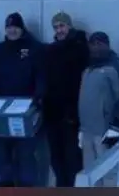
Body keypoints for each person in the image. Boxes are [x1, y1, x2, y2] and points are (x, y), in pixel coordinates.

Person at [0, 12, 45, 187]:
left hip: (26, 112)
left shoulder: (34, 49)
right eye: (9, 27)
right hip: (1, 113)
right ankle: (6, 185)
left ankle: (27, 188)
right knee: (3, 152)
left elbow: (41, 76)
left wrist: (38, 100)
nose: (12, 30)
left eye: (15, 27)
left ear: (21, 28)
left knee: (26, 153)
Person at [77, 31, 119, 188]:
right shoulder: (87, 70)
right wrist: (82, 129)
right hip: (87, 132)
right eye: (93, 44)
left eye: (99, 44)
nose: (95, 48)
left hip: (106, 131)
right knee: (90, 173)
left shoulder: (115, 68)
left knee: (109, 172)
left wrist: (117, 126)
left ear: (107, 45)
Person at [42, 11, 90, 187]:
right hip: (53, 114)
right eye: (56, 27)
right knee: (56, 159)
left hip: (72, 115)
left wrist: (74, 111)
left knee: (73, 159)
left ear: (69, 26)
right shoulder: (51, 50)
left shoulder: (80, 48)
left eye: (62, 26)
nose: (59, 30)